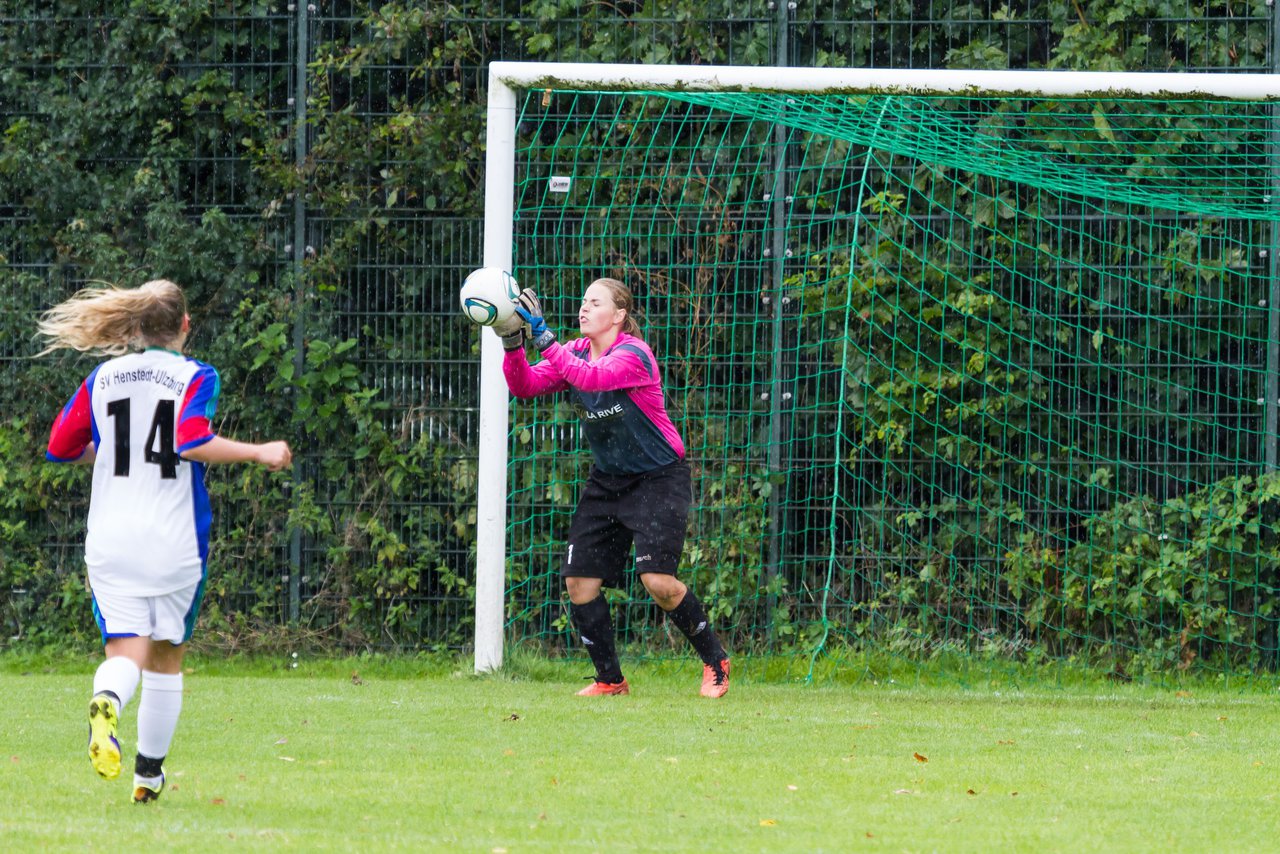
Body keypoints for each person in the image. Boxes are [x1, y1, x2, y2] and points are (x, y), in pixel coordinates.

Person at [40, 279, 292, 803]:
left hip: (110, 541)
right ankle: (147, 778)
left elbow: (62, 448)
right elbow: (192, 440)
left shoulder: (103, 376)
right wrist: (258, 451)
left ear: (134, 327)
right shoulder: (195, 375)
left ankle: (107, 699)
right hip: (173, 542)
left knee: (126, 652)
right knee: (167, 657)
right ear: (184, 325)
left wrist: (106, 454)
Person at [498, 277, 731, 698]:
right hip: (608, 480)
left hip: (659, 477)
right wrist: (513, 344)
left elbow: (590, 379)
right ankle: (610, 680)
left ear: (619, 316)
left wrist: (544, 337)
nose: (584, 308)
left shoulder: (634, 355)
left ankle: (716, 662)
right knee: (579, 582)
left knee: (659, 581)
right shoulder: (573, 351)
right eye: (583, 300)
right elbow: (524, 386)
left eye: (595, 302)